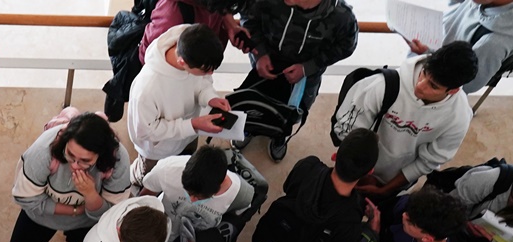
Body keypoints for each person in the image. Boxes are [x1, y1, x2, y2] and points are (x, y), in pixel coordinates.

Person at [0, 110, 132, 242]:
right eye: (70, 154)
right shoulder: (43, 152)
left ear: (101, 155)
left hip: (89, 220)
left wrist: (91, 195)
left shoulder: (117, 161)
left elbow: (111, 213)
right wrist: (76, 210)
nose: (74, 166)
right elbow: (27, 199)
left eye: (85, 160)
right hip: (44, 216)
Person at [333, 43, 478, 200]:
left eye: (433, 86)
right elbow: (347, 131)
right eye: (424, 74)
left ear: (453, 90)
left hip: (398, 182)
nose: (420, 86)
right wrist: (358, 173)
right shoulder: (380, 87)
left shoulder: (459, 116)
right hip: (357, 172)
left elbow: (430, 160)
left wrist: (387, 189)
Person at [239, 0, 359, 159]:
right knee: (256, 100)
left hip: (306, 78)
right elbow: (248, 19)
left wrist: (307, 68)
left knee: (294, 112)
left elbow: (346, 47)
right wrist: (259, 53)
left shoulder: (342, 17)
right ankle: (251, 127)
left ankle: (280, 135)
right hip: (265, 64)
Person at [127, 24, 229, 185]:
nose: (211, 74)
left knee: (182, 171)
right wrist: (193, 124)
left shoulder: (192, 41)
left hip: (189, 135)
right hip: (158, 150)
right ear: (182, 62)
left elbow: (203, 82)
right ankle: (135, 178)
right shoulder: (147, 89)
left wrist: (210, 97)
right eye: (206, 70)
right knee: (148, 180)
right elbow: (145, 131)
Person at [140, 144, 259, 242]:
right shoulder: (166, 170)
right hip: (164, 229)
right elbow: (145, 197)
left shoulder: (241, 195)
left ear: (220, 185)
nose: (191, 199)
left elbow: (234, 221)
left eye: (199, 197)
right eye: (187, 191)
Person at [406, 0, 513, 95]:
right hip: (437, 41)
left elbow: (467, 84)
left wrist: (427, 53)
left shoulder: (492, 44)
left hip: (438, 76)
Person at [139, 0, 250, 63]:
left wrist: (231, 26)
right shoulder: (173, 15)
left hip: (195, 72)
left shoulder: (214, 5)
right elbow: (151, 59)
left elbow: (221, 7)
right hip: (168, 83)